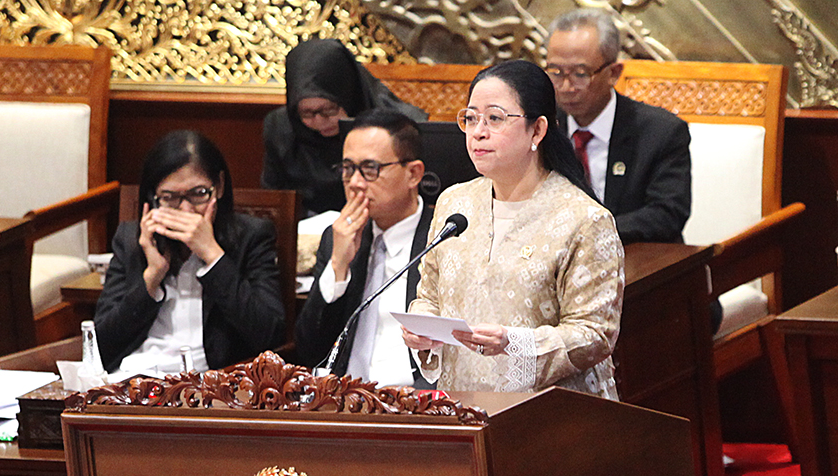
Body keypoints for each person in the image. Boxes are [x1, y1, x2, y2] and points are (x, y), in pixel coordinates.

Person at [402, 60, 624, 398]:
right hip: (464, 406)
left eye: (494, 118)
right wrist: (423, 329)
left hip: (551, 414)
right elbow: (429, 295)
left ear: (537, 130)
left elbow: (595, 333)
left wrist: (516, 343)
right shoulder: (454, 203)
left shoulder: (584, 219)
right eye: (471, 118)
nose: (478, 132)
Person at [94, 130, 286, 374]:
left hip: (213, 387)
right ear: (153, 199)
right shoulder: (131, 239)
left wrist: (213, 257)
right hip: (133, 382)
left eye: (198, 194)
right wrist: (151, 278)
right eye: (170, 197)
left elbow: (269, 335)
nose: (186, 210)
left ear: (219, 186)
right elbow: (101, 347)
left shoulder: (251, 236)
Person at [295, 109, 433, 388]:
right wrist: (337, 266)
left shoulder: (441, 238)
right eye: (348, 169)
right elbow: (309, 350)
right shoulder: (337, 238)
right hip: (344, 401)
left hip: (417, 405)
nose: (355, 183)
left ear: (413, 174)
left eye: (370, 169)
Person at [545, 8, 690, 245]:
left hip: (638, 260)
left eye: (580, 74)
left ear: (613, 73)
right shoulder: (542, 127)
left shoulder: (661, 132)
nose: (566, 86)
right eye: (556, 72)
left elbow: (667, 215)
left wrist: (590, 233)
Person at [261, 38, 427, 217]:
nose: (319, 121)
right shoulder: (280, 127)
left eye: (328, 110)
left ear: (348, 96)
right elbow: (274, 198)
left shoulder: (400, 125)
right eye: (307, 113)